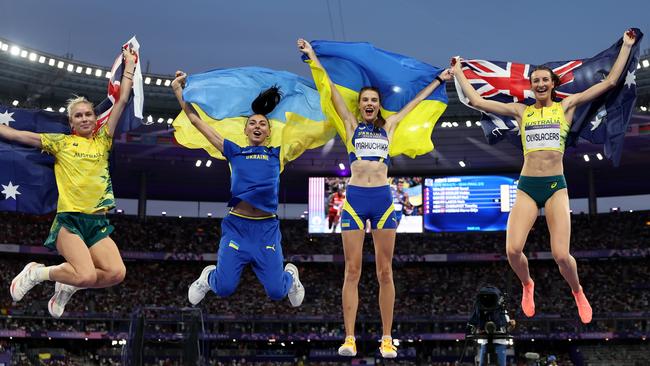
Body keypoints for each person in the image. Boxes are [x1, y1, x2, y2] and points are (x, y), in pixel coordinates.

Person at [453, 30, 637, 324]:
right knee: (512, 251)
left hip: (554, 187)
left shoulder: (566, 106)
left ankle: (577, 291)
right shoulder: (520, 111)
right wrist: (460, 71)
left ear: (553, 84)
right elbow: (476, 101)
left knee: (561, 256)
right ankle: (528, 284)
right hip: (527, 186)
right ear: (532, 86)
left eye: (544, 80)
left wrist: (626, 46)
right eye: (535, 80)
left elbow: (610, 82)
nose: (540, 83)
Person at [298, 38, 452, 358]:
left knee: (385, 272)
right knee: (352, 271)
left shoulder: (390, 126)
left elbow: (413, 102)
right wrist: (314, 58)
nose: (369, 103)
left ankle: (386, 337)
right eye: (365, 99)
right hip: (355, 200)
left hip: (382, 201)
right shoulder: (351, 124)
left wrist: (440, 79)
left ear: (378, 105)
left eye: (373, 100)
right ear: (360, 105)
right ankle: (350, 337)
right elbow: (333, 91)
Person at [5, 46, 138, 318]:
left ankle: (66, 284)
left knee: (116, 273)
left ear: (94, 118)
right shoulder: (61, 143)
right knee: (87, 274)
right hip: (70, 221)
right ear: (71, 121)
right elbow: (19, 136)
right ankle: (37, 272)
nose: (85, 118)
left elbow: (122, 100)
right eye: (79, 115)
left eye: (88, 114)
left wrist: (130, 67)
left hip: (97, 222)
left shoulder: (103, 141)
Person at [171, 71, 305, 309]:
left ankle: (291, 277)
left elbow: (306, 130)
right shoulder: (233, 151)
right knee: (223, 289)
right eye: (252, 123)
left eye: (262, 123)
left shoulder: (277, 153)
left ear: (268, 132)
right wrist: (179, 93)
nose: (257, 126)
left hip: (266, 229)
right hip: (237, 228)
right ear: (245, 131)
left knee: (276, 292)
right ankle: (208, 278)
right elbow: (196, 122)